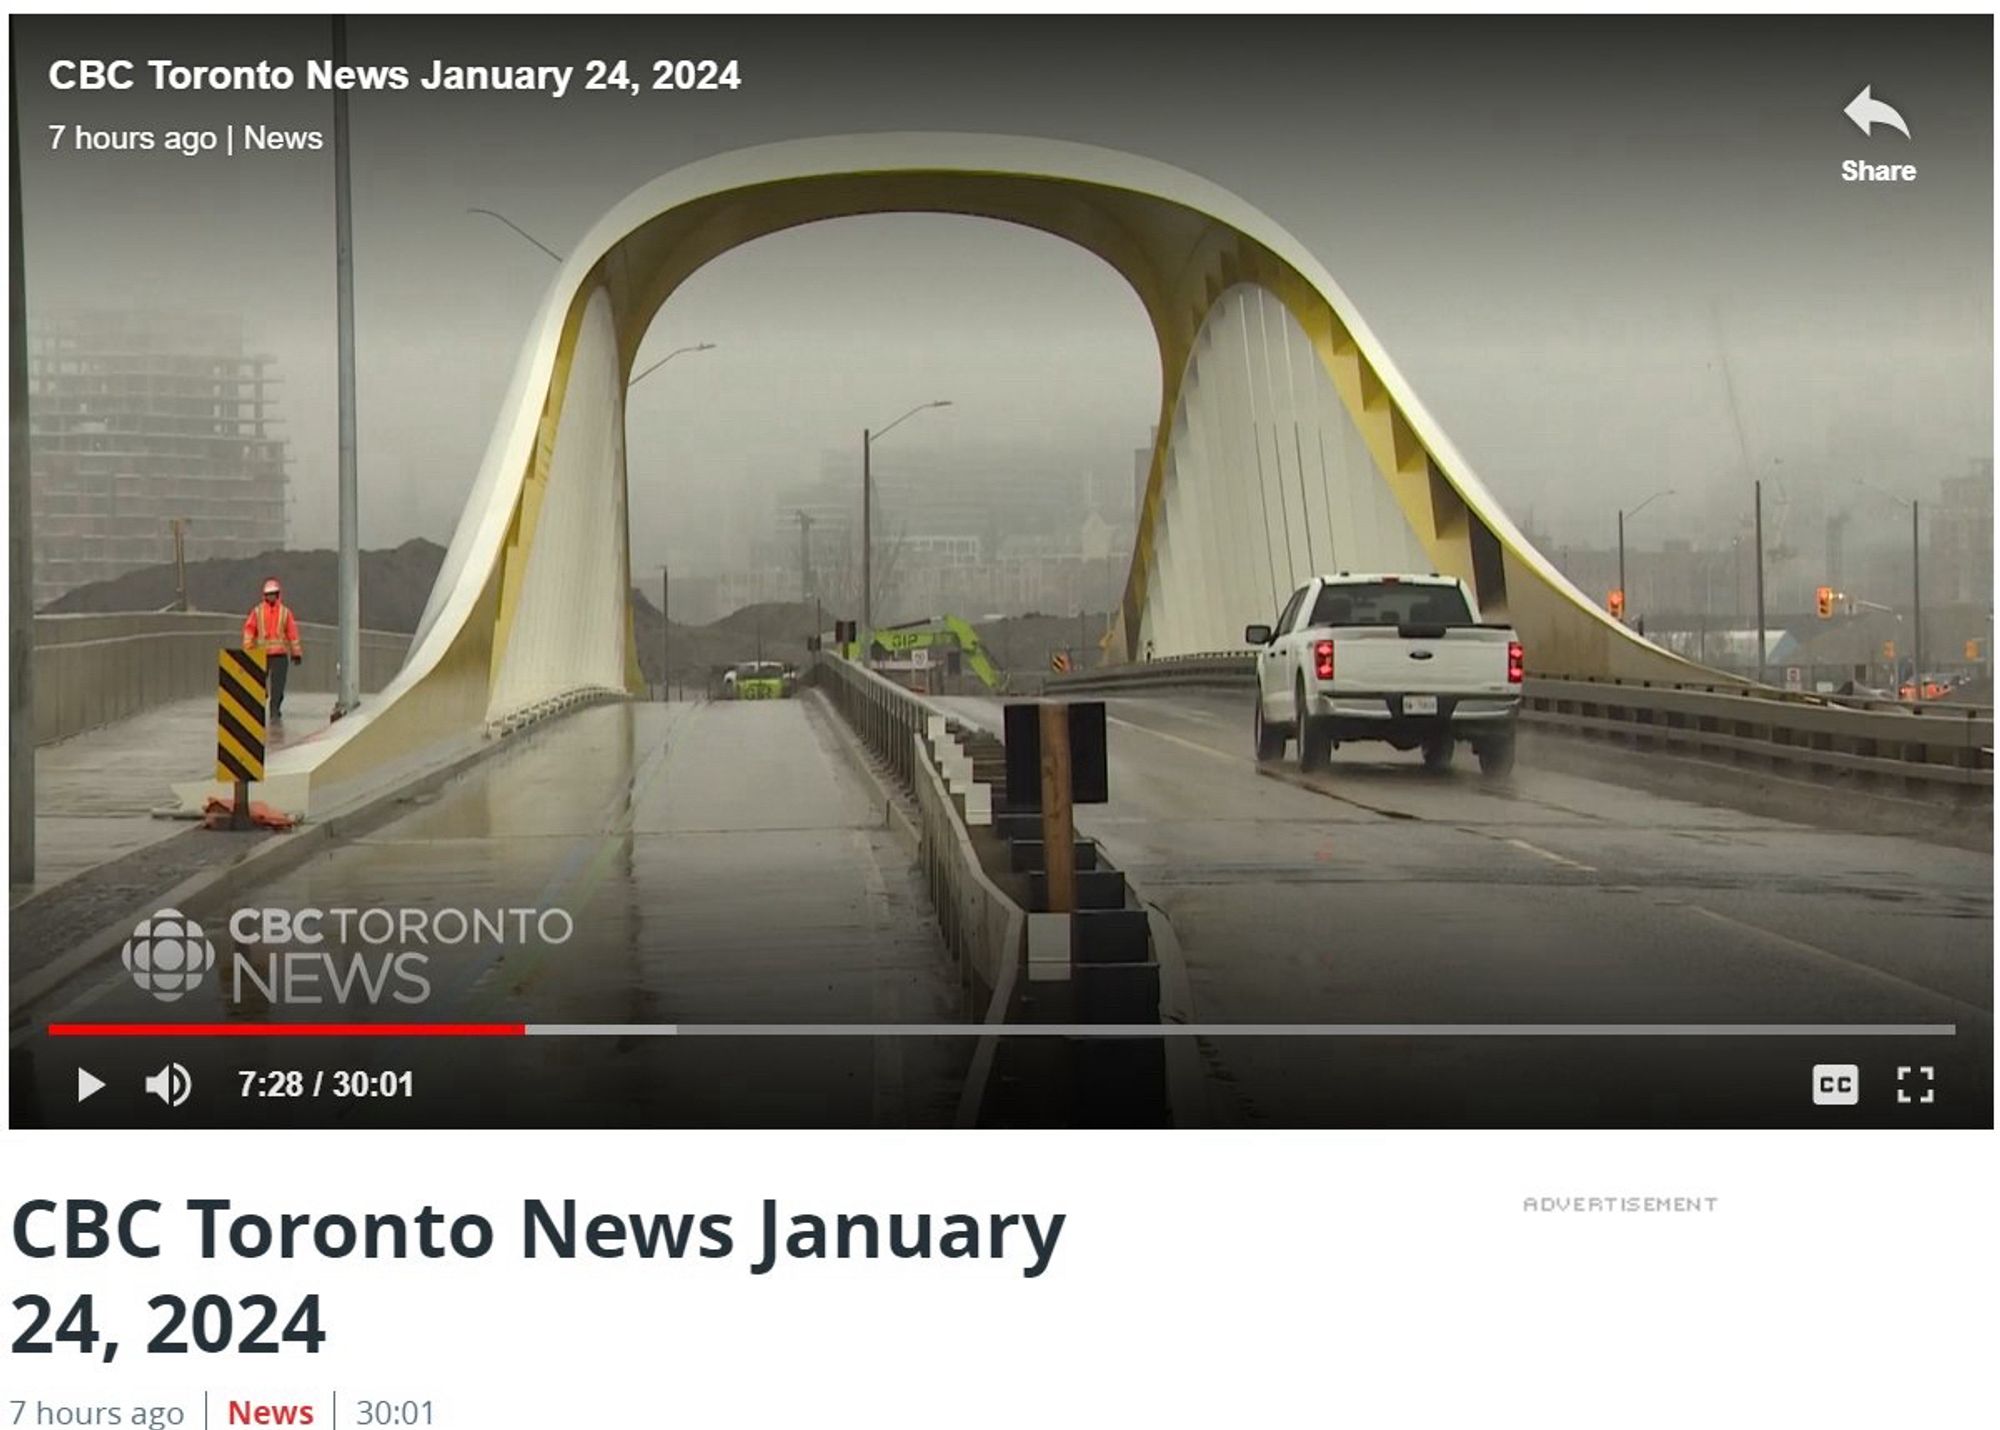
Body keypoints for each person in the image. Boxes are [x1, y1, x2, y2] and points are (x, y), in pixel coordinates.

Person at [243, 577, 303, 720]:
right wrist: (248, 650)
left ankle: (275, 709)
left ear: (277, 595)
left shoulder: (285, 612)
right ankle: (260, 706)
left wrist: (296, 653)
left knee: (278, 686)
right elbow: (249, 630)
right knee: (259, 684)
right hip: (261, 654)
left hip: (280, 655)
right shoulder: (257, 612)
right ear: (265, 595)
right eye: (269, 594)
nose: (271, 596)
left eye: (273, 594)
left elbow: (292, 633)